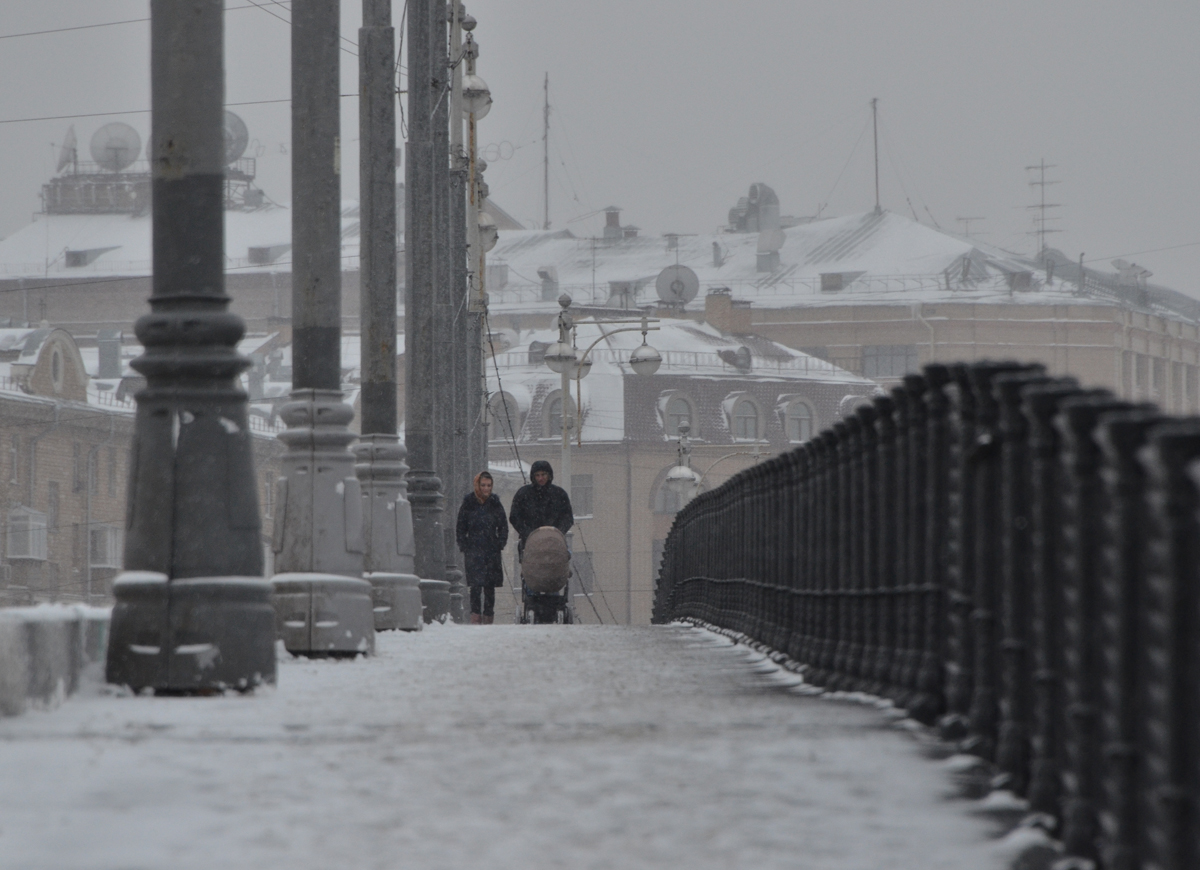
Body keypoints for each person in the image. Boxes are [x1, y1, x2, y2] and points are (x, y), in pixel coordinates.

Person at [455, 471, 509, 625]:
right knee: (475, 587)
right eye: (483, 485)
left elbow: (503, 526)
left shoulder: (495, 504)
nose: (486, 489)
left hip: (491, 551)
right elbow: (460, 527)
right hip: (474, 551)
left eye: (489, 485)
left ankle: (488, 618)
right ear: (477, 485)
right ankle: (476, 618)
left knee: (489, 587)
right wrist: (465, 545)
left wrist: (499, 544)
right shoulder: (469, 504)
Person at [508, 459, 573, 557]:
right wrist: (529, 534)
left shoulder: (559, 494)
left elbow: (567, 518)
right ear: (533, 477)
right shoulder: (523, 494)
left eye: (543, 475)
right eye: (537, 475)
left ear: (549, 475)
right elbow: (514, 517)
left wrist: (556, 534)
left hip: (555, 546)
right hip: (529, 545)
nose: (540, 478)